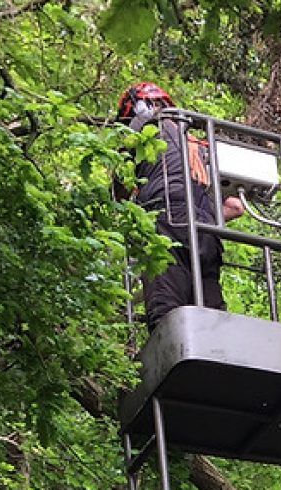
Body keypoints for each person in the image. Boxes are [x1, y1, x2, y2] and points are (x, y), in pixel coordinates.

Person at [113, 82, 245, 330]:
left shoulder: (143, 130)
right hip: (206, 230)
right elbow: (236, 207)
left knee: (167, 308)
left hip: (167, 219)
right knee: (211, 314)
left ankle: (171, 364)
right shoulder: (197, 144)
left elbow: (117, 191)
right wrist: (203, 218)